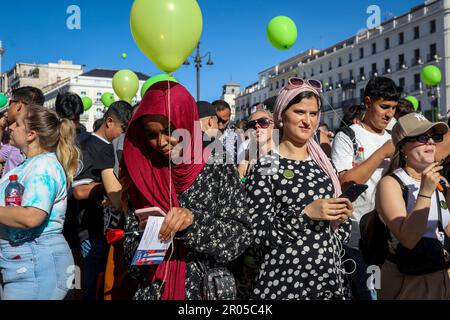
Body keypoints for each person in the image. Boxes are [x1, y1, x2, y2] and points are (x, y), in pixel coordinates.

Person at [122, 81, 253, 300]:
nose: (162, 142)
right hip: (155, 290)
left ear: (185, 122)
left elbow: (240, 237)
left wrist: (194, 222)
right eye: (151, 135)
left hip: (205, 292)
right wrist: (148, 236)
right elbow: (130, 253)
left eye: (169, 130)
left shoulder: (217, 162)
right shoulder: (145, 171)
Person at [246, 78, 353, 300]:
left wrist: (341, 218)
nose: (308, 121)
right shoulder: (266, 166)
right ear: (282, 116)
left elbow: (337, 234)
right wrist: (304, 215)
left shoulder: (324, 166)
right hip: (285, 283)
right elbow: (256, 234)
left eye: (313, 114)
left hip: (327, 279)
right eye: (300, 112)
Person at [0, 104, 79, 299]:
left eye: (17, 124)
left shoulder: (44, 165)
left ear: (31, 134)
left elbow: (32, 216)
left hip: (36, 265)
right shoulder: (28, 165)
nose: (10, 127)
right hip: (23, 264)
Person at [331, 76, 399, 300]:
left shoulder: (394, 137)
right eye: (384, 107)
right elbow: (345, 182)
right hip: (357, 237)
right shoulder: (346, 136)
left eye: (393, 108)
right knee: (367, 294)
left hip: (391, 237)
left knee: (385, 293)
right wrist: (381, 153)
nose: (389, 114)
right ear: (368, 102)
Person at [376, 113, 450, 299]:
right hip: (408, 282)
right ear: (403, 148)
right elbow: (408, 239)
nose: (431, 142)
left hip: (441, 276)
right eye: (422, 137)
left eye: (435, 137)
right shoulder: (390, 184)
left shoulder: (441, 182)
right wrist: (425, 192)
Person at [73, 101, 131, 300]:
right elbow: (80, 190)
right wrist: (109, 190)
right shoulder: (98, 147)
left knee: (85, 283)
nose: (122, 135)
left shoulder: (84, 140)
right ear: (109, 121)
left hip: (89, 227)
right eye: (122, 129)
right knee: (89, 286)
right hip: (90, 228)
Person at [237, 110, 274, 179]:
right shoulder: (247, 158)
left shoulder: (284, 153)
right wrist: (246, 180)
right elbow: (240, 181)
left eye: (263, 122)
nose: (257, 126)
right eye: (252, 124)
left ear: (274, 125)